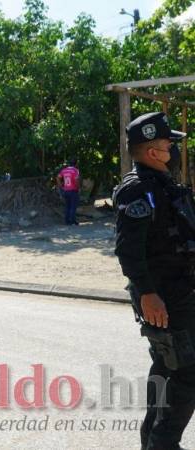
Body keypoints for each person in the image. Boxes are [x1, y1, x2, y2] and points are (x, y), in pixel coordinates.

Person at [113, 112, 194, 450]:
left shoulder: (164, 186)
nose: (174, 150)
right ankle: (162, 443)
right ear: (152, 152)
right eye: (168, 144)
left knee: (165, 365)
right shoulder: (138, 190)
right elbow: (128, 251)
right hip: (167, 297)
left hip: (178, 292)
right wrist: (147, 292)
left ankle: (152, 440)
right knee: (188, 374)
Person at [57, 158, 81, 225]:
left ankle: (67, 221)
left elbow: (58, 177)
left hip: (66, 190)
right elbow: (76, 180)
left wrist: (61, 186)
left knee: (67, 206)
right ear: (76, 164)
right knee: (73, 206)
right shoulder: (75, 170)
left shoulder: (64, 170)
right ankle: (72, 221)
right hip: (73, 190)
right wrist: (78, 188)